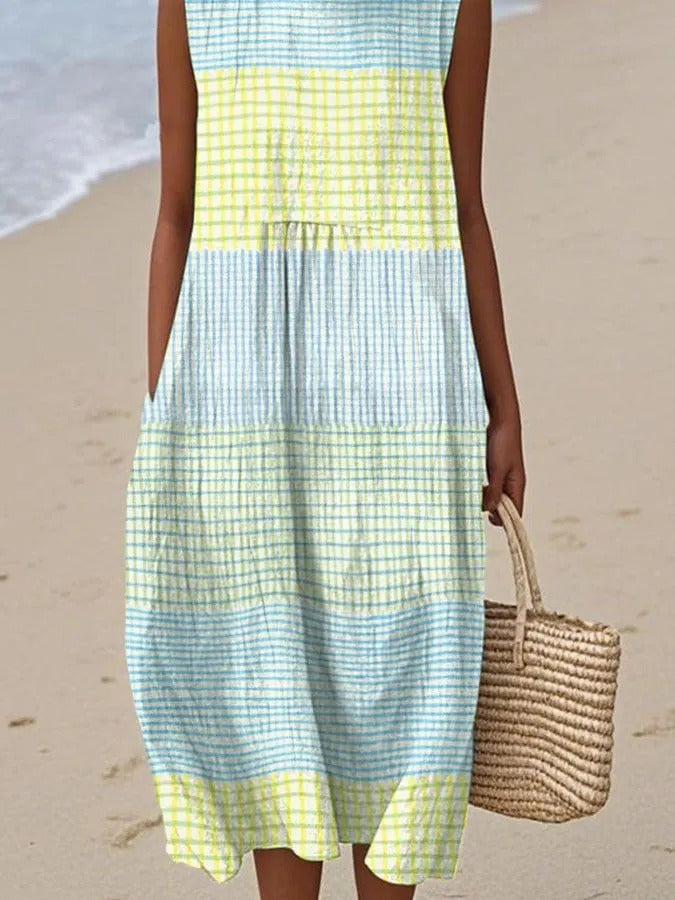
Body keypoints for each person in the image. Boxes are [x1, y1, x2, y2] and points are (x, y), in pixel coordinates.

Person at [124, 1, 526, 898]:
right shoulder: (198, 5)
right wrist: (169, 408)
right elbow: (176, 213)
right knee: (273, 667)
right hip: (239, 398)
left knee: (408, 665)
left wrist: (503, 407)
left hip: (409, 393)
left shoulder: (451, 6)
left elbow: (465, 210)